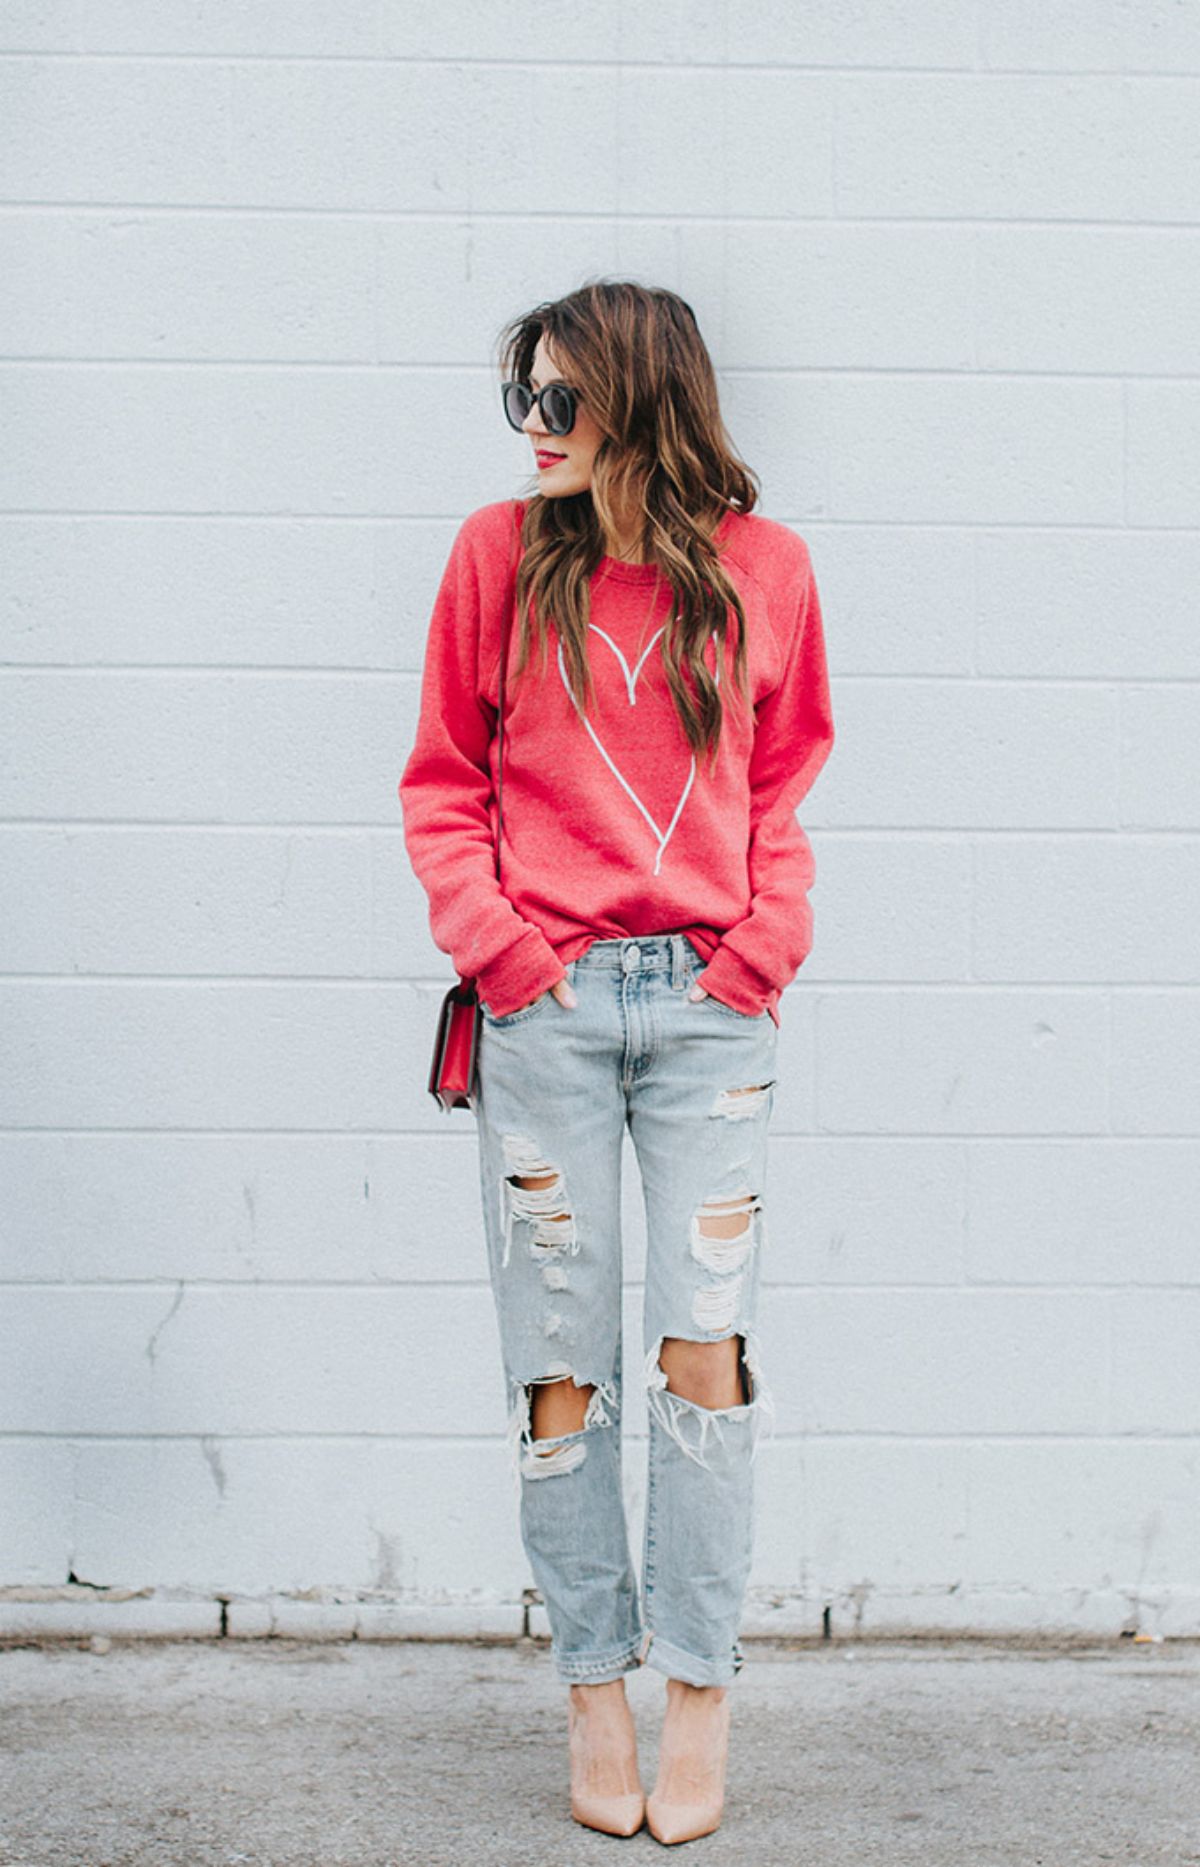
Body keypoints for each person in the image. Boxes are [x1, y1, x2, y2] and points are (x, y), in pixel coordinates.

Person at [398, 279, 834, 1844]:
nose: (535, 428)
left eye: (563, 400)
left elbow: (783, 789)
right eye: (526, 397)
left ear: (643, 403)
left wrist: (761, 949)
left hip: (715, 1012)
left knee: (704, 1359)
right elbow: (443, 784)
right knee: (562, 1376)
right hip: (548, 1012)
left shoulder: (766, 572)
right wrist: (510, 959)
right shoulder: (496, 559)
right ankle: (596, 1686)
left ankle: (699, 1695)